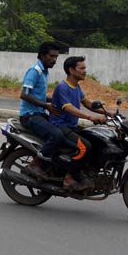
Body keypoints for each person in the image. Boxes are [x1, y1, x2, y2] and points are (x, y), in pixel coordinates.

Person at [49, 56, 112, 190]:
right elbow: (68, 107)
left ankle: (86, 172)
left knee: (97, 142)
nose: (85, 71)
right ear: (72, 70)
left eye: (85, 68)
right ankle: (69, 177)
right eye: (82, 68)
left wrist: (109, 113)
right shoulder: (62, 87)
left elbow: (88, 104)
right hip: (60, 126)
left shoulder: (76, 87)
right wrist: (91, 118)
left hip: (71, 126)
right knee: (85, 147)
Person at [19, 41, 62, 180]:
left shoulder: (44, 72)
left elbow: (40, 96)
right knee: (56, 135)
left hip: (39, 113)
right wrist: (46, 106)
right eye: (51, 56)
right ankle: (34, 164)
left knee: (66, 131)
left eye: (56, 57)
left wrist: (60, 102)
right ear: (42, 55)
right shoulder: (35, 71)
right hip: (29, 115)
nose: (54, 60)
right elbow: (24, 95)